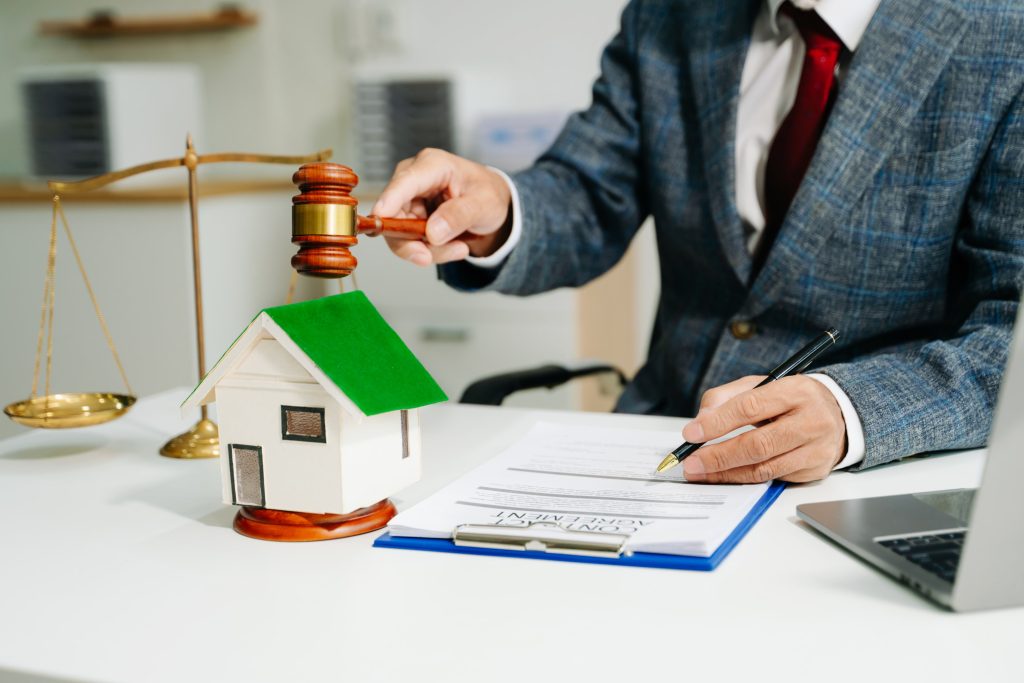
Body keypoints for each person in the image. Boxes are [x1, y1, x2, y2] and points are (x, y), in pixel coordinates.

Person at [370, 0, 1024, 484]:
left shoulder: (1005, 33)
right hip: (658, 448)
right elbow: (591, 193)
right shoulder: (672, 15)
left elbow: (1011, 330)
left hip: (873, 474)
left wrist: (854, 410)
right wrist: (502, 210)